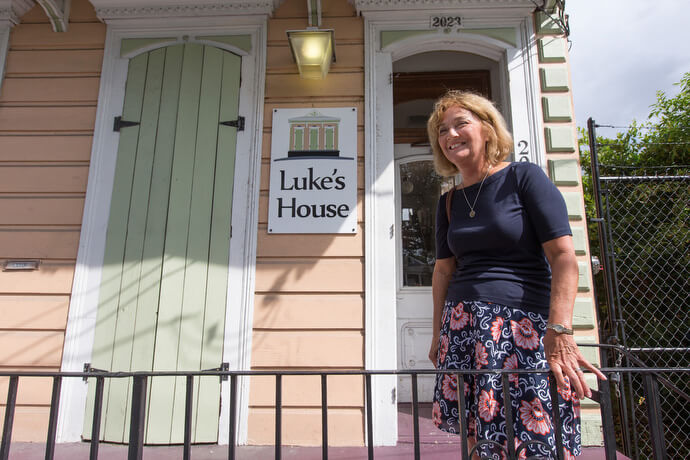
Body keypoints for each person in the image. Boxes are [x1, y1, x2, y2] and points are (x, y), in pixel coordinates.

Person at [426, 90, 606, 459]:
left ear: (488, 130)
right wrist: (436, 335)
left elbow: (564, 257)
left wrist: (560, 330)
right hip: (463, 327)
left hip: (523, 326)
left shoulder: (524, 177)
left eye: (461, 123)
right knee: (480, 435)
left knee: (535, 430)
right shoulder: (448, 201)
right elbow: (443, 271)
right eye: (442, 130)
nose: (450, 135)